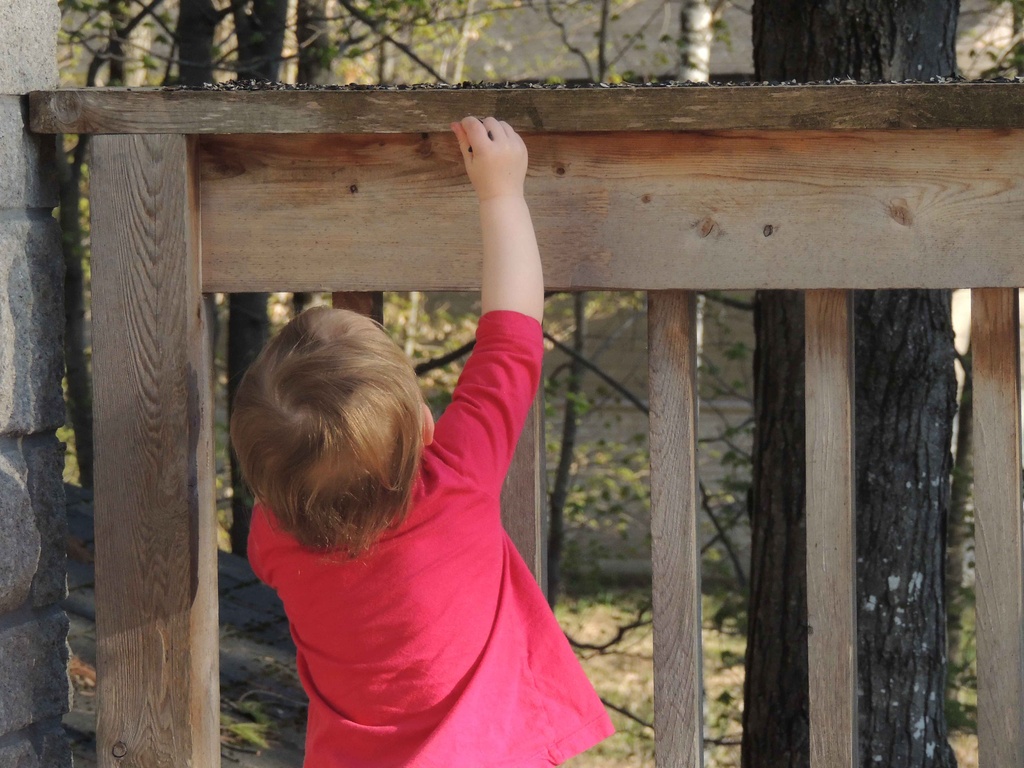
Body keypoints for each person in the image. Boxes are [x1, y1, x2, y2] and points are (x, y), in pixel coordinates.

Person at [230, 116, 614, 767]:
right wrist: (501, 194)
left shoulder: (274, 538)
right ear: (424, 427)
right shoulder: (456, 479)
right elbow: (512, 334)